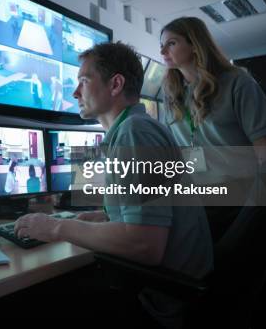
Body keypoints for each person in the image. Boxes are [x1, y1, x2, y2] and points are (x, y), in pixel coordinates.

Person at [14, 41, 213, 327]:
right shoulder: (140, 128)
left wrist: (57, 227)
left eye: (84, 81)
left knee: (29, 302)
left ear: (116, 84)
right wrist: (107, 216)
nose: (74, 92)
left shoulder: (135, 135)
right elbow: (147, 215)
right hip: (174, 287)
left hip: (164, 301)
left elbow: (146, 245)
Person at [160, 16, 266, 237]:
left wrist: (257, 206)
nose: (162, 52)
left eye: (171, 43)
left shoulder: (237, 82)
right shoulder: (171, 95)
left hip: (239, 199)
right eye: (161, 46)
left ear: (195, 44)